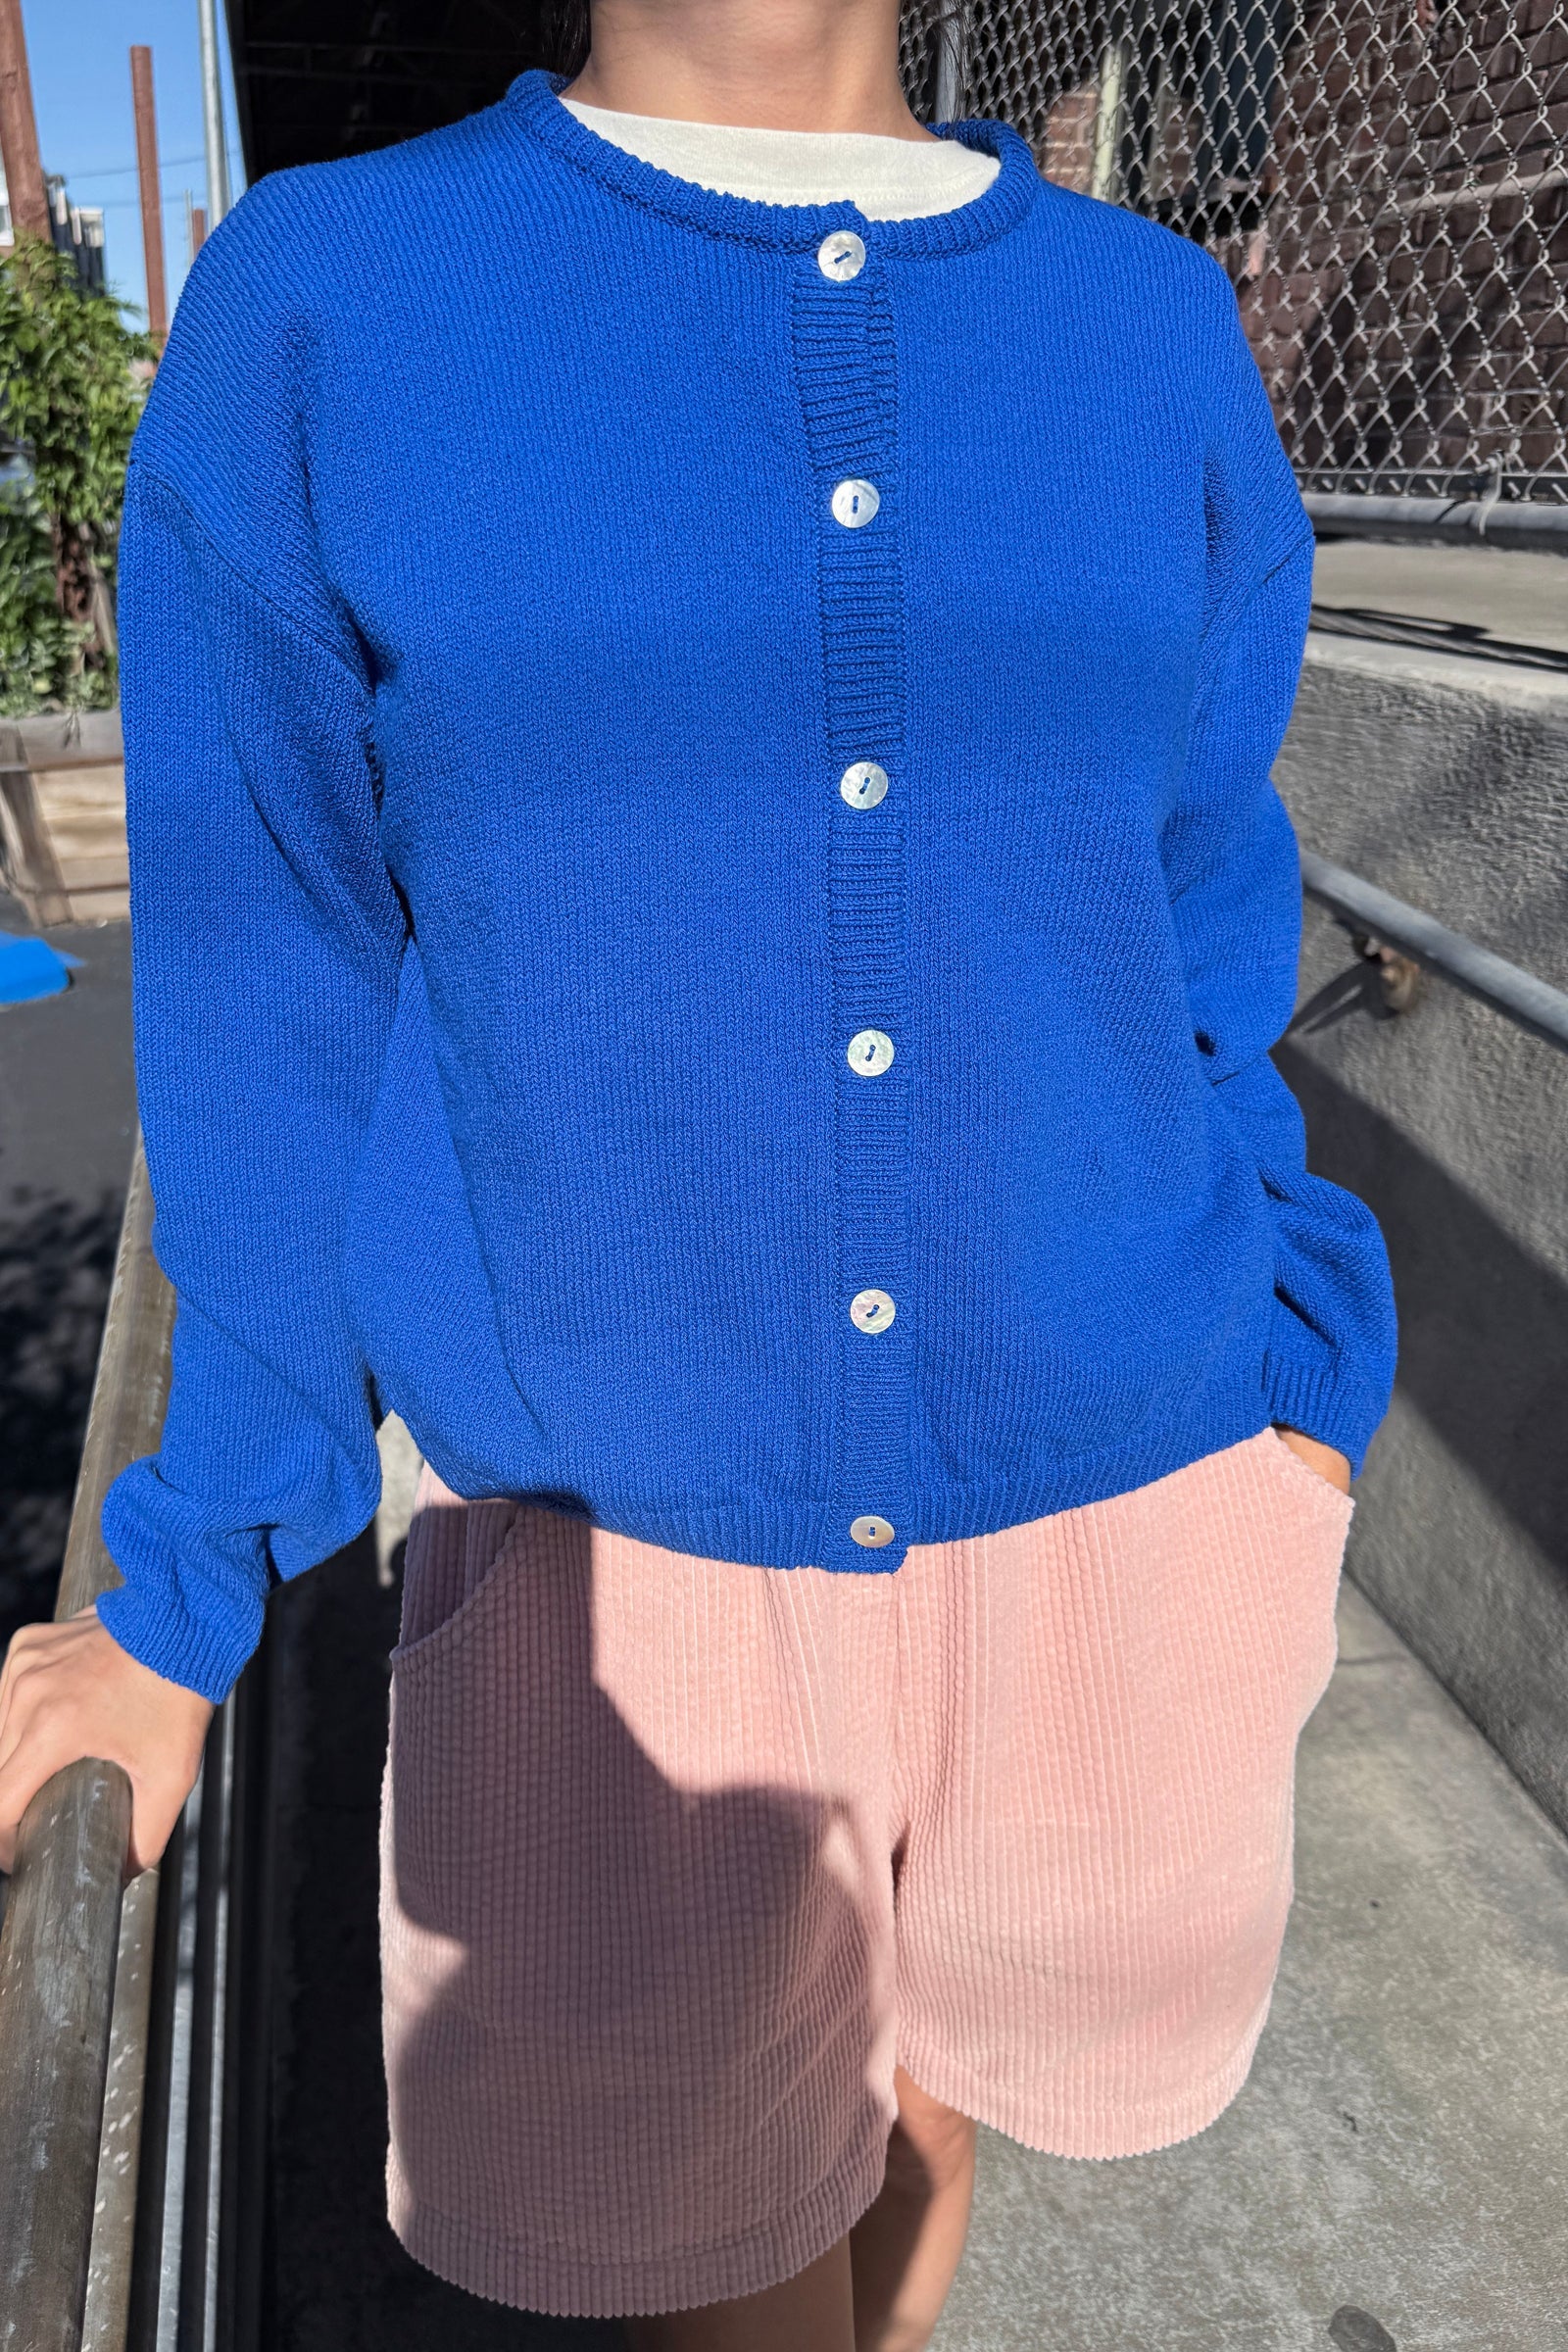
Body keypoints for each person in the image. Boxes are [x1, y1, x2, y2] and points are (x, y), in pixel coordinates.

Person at [0, 1, 1396, 2344]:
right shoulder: (332, 300)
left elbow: (1192, 924)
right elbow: (269, 989)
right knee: (706, 2265)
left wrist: (1295, 1388)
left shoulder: (1144, 326)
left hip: (1134, 1499)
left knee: (930, 2118)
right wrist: (189, 1576)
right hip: (623, 1586)